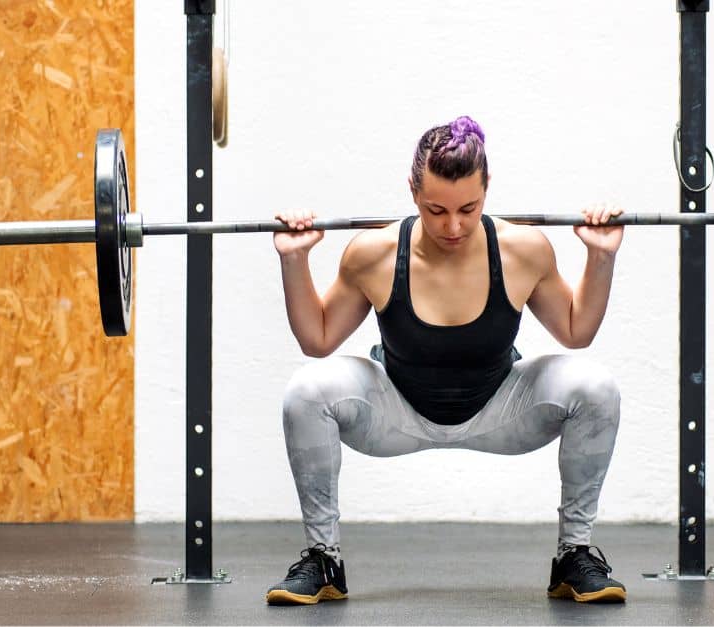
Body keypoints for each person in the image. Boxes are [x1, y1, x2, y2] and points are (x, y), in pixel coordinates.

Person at [267, 115, 626, 605]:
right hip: (396, 412)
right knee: (307, 390)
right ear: (412, 192)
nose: (453, 226)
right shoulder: (373, 254)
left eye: (469, 208)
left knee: (595, 385)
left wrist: (600, 258)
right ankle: (323, 560)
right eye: (436, 210)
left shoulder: (523, 250)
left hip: (500, 410)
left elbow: (576, 329)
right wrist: (295, 260)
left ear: (487, 189)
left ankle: (574, 557)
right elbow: (317, 337)